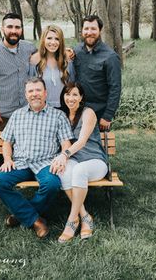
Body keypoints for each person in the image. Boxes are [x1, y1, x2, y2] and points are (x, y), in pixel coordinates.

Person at [0, 77, 74, 238]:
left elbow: (66, 143)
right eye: (31, 91)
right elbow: (7, 142)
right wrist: (8, 159)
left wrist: (63, 157)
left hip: (45, 162)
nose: (34, 94)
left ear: (45, 93)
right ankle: (36, 221)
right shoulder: (17, 115)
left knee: (52, 184)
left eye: (38, 90)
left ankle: (20, 215)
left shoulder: (57, 116)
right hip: (20, 163)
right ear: (26, 94)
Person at [0, 13, 37, 170]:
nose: (13, 30)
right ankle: (1, 178)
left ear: (21, 29)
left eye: (17, 27)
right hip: (2, 114)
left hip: (26, 112)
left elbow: (49, 55)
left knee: (25, 150)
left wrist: (68, 52)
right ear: (3, 28)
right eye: (10, 27)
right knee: (2, 154)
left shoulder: (29, 48)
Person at [50, 82, 108, 243]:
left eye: (75, 94)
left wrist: (64, 154)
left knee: (79, 170)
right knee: (63, 170)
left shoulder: (88, 113)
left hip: (95, 161)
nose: (71, 98)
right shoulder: (62, 115)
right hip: (75, 159)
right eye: (68, 94)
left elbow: (82, 141)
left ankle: (71, 221)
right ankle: (84, 216)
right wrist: (61, 158)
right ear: (63, 96)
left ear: (81, 97)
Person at [73, 15, 121, 131]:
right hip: (77, 109)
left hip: (99, 113)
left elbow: (115, 88)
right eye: (86, 29)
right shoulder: (76, 51)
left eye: (93, 29)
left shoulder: (110, 56)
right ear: (82, 31)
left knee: (97, 147)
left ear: (100, 30)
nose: (89, 32)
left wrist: (108, 116)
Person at [30, 25, 75, 108]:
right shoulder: (35, 62)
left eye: (57, 39)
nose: (53, 42)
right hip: (42, 108)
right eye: (49, 38)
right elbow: (31, 88)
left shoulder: (67, 61)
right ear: (43, 39)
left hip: (64, 107)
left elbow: (72, 86)